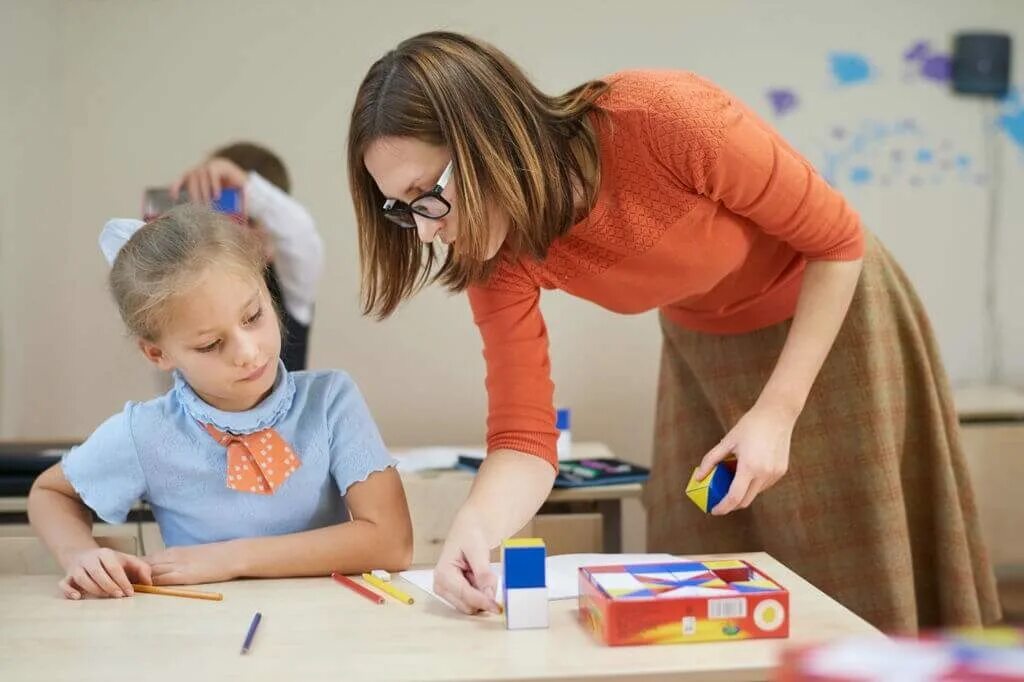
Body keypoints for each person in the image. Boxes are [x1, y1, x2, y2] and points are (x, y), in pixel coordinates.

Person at [345, 31, 1000, 631]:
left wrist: (776, 411)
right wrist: (475, 525)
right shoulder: (493, 256)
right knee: (702, 553)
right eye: (404, 211)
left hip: (835, 310)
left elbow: (837, 241)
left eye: (427, 193)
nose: (427, 228)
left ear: (487, 136)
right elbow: (525, 437)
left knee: (860, 551)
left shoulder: (662, 119)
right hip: (705, 344)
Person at [28, 204, 410, 599]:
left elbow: (392, 542)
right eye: (211, 344)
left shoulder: (331, 401)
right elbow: (50, 493)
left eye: (253, 316)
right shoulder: (148, 432)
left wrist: (230, 558)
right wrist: (80, 554)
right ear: (158, 355)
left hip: (325, 629)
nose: (247, 352)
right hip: (203, 636)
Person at [173, 142, 323, 371]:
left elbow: (299, 232)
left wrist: (246, 185)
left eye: (245, 220)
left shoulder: (291, 288)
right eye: (216, 217)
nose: (228, 234)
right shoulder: (183, 287)